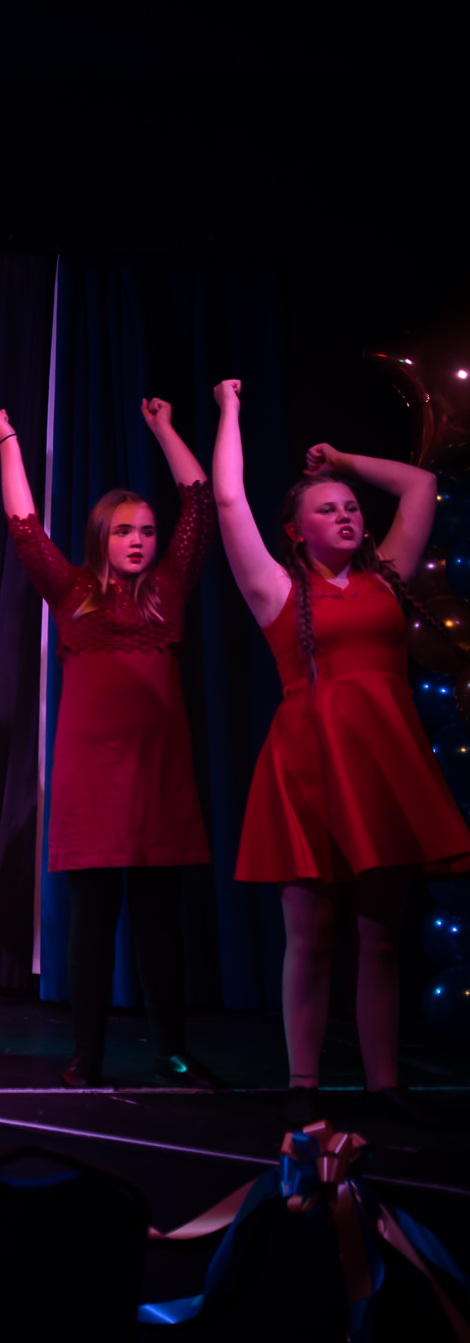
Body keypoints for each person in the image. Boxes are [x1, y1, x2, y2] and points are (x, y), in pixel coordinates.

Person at [211, 378, 466, 1125]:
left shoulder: (387, 578)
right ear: (296, 532)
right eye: (328, 509)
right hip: (310, 770)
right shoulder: (276, 591)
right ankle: (303, 1082)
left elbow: (419, 485)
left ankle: (384, 1081)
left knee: (381, 937)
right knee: (312, 935)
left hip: (384, 768)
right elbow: (228, 501)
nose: (347, 514)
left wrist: (344, 463)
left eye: (351, 507)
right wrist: (230, 411)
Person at [0, 400, 223, 1089]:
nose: (139, 540)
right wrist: (7, 440)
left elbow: (199, 502)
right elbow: (24, 527)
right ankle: (86, 1054)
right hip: (92, 778)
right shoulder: (72, 591)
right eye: (125, 530)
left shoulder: (168, 591)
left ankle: (172, 1051)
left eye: (147, 530)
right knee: (93, 920)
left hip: (158, 776)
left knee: (160, 922)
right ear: (101, 536)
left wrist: (164, 428)